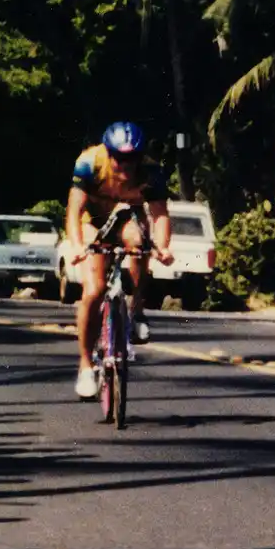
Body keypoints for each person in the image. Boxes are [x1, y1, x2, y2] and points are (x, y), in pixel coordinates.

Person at [68, 124, 175, 399]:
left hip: (126, 216)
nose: (125, 167)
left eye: (132, 160)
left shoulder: (150, 170)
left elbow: (160, 214)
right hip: (91, 218)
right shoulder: (89, 162)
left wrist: (162, 248)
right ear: (107, 152)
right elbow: (74, 210)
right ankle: (85, 366)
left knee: (140, 245)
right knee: (94, 290)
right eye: (118, 159)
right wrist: (78, 245)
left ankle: (136, 308)